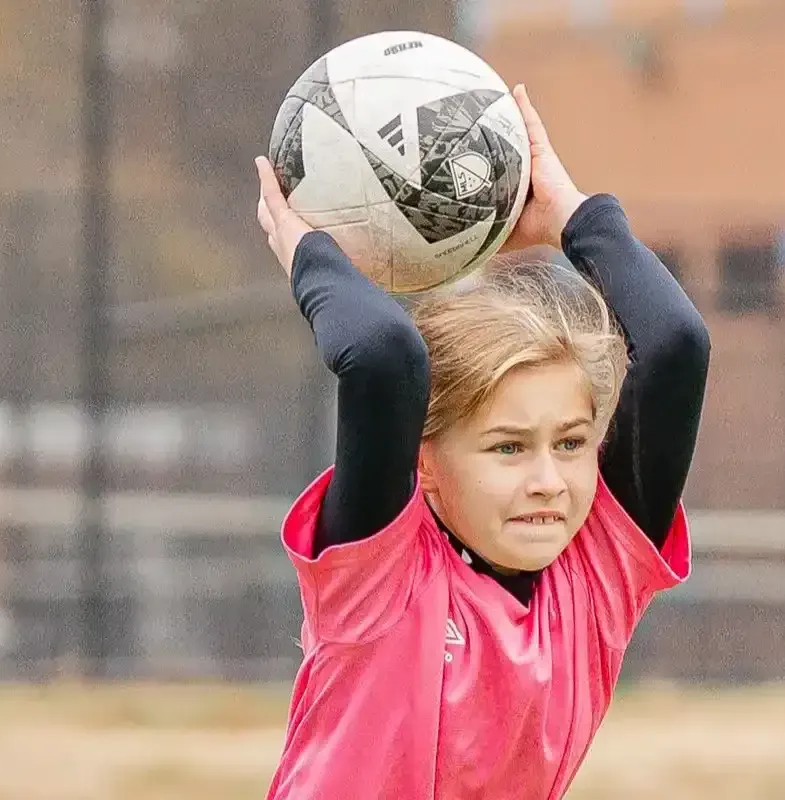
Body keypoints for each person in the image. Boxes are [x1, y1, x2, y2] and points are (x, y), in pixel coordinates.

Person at [254, 84, 711, 799]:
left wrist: (568, 215)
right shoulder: (384, 576)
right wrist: (309, 251)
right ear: (425, 465)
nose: (548, 479)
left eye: (571, 444)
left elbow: (676, 347)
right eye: (507, 448)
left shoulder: (594, 577)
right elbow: (383, 355)